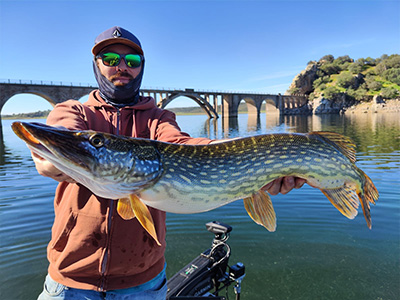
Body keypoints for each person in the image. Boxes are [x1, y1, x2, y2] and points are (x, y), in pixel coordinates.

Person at [33, 26, 306, 300]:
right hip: (69, 282)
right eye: (111, 59)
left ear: (141, 68)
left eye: (133, 61)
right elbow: (58, 149)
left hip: (144, 285)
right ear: (97, 65)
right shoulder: (71, 111)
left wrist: (251, 164)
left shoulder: (159, 118)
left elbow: (180, 145)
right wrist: (52, 156)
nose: (122, 67)